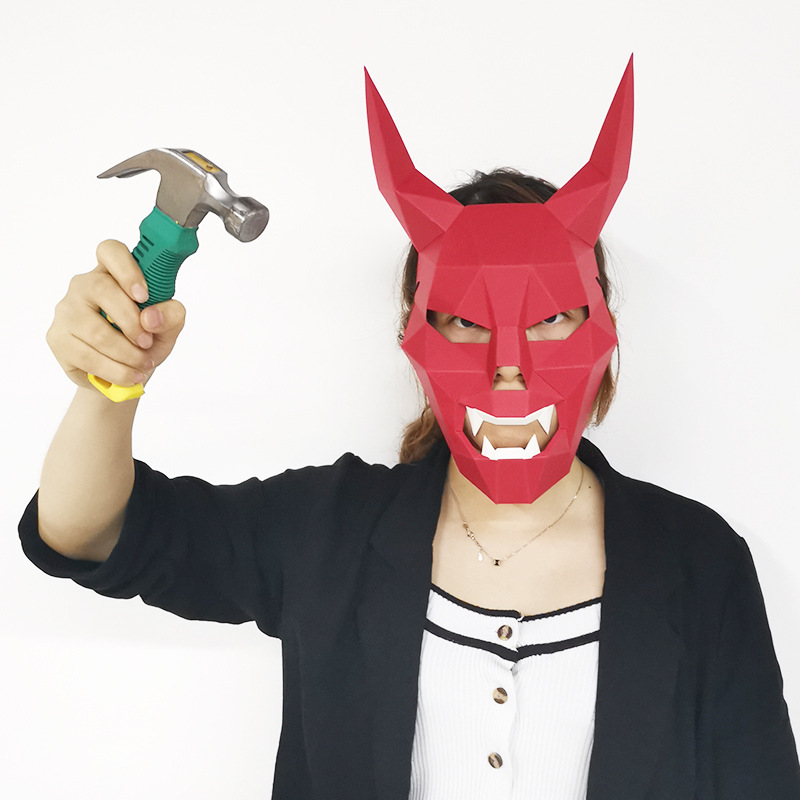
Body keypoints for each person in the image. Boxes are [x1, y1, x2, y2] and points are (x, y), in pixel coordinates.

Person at [19, 63, 800, 800]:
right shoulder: (328, 530)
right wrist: (112, 379)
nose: (509, 368)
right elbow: (89, 532)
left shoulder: (700, 563)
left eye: (553, 318)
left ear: (604, 330)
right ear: (414, 336)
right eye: (463, 322)